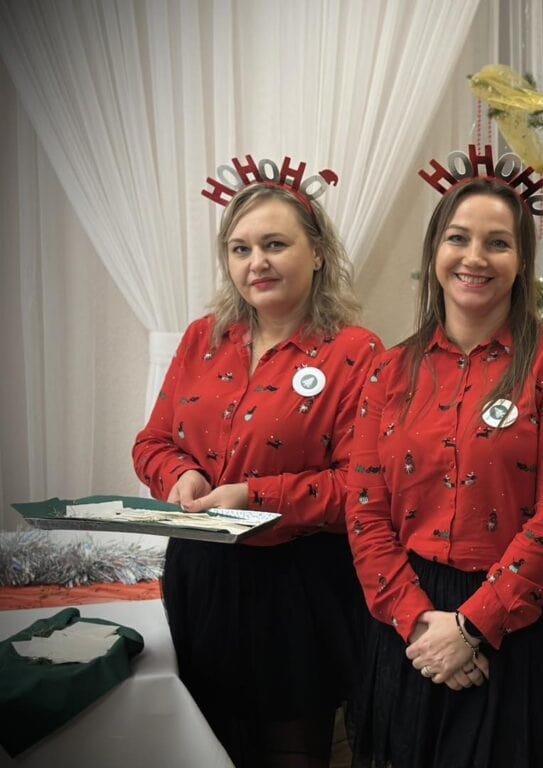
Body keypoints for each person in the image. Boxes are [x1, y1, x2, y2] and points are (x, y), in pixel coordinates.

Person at [345, 172, 543, 768]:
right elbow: (364, 513)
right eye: (458, 238)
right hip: (412, 621)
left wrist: (472, 628)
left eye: (498, 243)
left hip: (523, 623)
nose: (475, 258)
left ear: (522, 260)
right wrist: (420, 624)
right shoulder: (389, 371)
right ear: (435, 250)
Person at [133, 179, 381, 767]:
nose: (256, 263)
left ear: (317, 253)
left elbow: (361, 486)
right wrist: (179, 476)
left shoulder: (356, 353)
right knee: (204, 746)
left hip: (297, 586)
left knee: (290, 751)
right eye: (240, 249)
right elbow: (152, 442)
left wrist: (254, 496)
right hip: (201, 575)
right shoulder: (202, 338)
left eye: (274, 244)